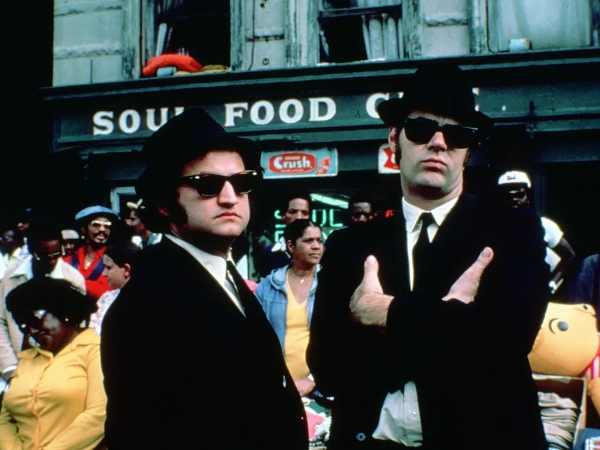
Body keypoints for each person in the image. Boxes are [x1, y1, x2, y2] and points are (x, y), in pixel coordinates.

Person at [307, 65, 549, 450]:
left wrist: (387, 314)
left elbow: (508, 340)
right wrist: (451, 321)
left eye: (457, 134)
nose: (438, 143)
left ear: (468, 150)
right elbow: (327, 365)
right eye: (421, 129)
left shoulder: (512, 230)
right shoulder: (349, 245)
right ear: (394, 139)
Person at [100, 108, 307, 449]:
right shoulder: (146, 304)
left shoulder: (222, 272)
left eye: (242, 182)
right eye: (208, 185)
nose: (230, 197)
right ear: (165, 202)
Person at [0, 277, 106, 450]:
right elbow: (5, 418)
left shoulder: (95, 350)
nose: (31, 331)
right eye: (24, 327)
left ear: (60, 308)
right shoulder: (28, 358)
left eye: (34, 320)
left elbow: (99, 414)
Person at [0, 219, 85, 381]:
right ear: (31, 251)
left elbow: (76, 334)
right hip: (14, 367)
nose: (51, 261)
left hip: (58, 372)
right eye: (44, 256)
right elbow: (0, 321)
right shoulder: (11, 275)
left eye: (56, 254)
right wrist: (9, 367)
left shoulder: (74, 280)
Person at [255, 219, 324, 397]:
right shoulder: (268, 286)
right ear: (291, 246)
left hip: (320, 390)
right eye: (309, 241)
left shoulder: (331, 285)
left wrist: (312, 379)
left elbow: (342, 342)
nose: (316, 246)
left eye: (319, 240)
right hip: (276, 387)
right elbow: (253, 339)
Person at [498, 170, 576, 293]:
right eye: (508, 195)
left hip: (536, 292)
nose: (514, 199)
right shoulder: (495, 227)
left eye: (519, 194)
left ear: (528, 197)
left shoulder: (544, 225)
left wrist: (552, 283)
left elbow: (569, 256)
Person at [67, 205, 120, 299]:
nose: (102, 229)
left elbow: (112, 293)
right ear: (84, 229)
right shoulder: (70, 259)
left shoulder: (115, 259)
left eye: (107, 226)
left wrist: (78, 284)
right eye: (96, 225)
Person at [89, 241, 140, 335]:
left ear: (126, 269)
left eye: (108, 268)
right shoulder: (107, 298)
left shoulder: (145, 302)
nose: (103, 273)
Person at [258, 192, 312, 277]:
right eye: (293, 212)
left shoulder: (321, 251)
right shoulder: (268, 254)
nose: (299, 217)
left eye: (304, 213)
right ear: (283, 215)